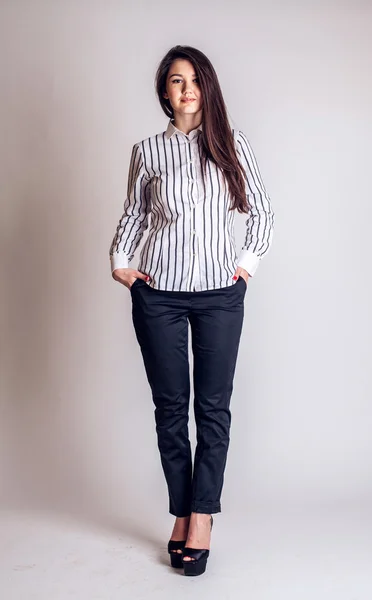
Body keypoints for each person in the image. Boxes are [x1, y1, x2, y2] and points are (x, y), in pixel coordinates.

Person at [109, 44, 274, 576]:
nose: (188, 89)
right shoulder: (146, 151)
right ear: (165, 91)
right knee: (170, 410)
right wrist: (120, 262)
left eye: (195, 79)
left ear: (208, 86)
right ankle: (181, 510)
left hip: (219, 295)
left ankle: (201, 514)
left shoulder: (231, 144)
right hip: (157, 294)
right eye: (177, 81)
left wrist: (244, 266)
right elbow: (134, 213)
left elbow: (263, 209)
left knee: (213, 409)